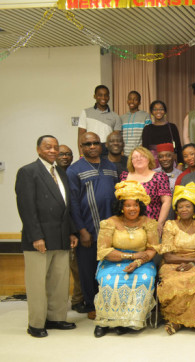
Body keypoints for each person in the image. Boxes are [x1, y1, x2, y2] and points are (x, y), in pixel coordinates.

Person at [16, 135, 78, 338]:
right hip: (39, 239)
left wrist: (71, 231)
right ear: (38, 149)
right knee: (37, 283)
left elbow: (65, 206)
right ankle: (35, 324)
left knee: (59, 282)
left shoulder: (60, 171)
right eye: (47, 147)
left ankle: (56, 318)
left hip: (60, 237)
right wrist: (36, 236)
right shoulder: (28, 171)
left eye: (55, 147)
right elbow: (27, 207)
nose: (52, 150)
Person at [93, 181, 158, 337]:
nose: (132, 209)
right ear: (121, 206)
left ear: (140, 206)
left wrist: (137, 262)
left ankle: (127, 321)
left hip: (142, 262)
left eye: (135, 205)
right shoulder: (110, 223)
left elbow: (152, 249)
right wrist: (131, 256)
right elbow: (104, 250)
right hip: (113, 260)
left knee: (144, 279)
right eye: (128, 205)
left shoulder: (149, 223)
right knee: (109, 281)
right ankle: (105, 320)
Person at [67, 132, 119, 320]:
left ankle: (110, 302)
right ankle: (91, 304)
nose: (92, 146)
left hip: (111, 230)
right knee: (88, 271)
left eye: (95, 143)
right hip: (88, 230)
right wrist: (81, 230)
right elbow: (72, 202)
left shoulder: (111, 166)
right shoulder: (74, 170)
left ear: (101, 145)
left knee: (109, 269)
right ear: (81, 147)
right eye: (87, 144)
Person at [157, 182, 195, 334]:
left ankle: (189, 321)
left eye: (188, 206)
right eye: (181, 207)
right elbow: (167, 255)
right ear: (176, 210)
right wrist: (189, 261)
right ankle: (177, 320)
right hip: (172, 263)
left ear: (194, 209)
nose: (184, 209)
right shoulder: (170, 225)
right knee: (173, 280)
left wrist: (194, 262)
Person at [120, 146, 172, 233]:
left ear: (149, 159)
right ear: (131, 161)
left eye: (142, 156)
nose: (139, 159)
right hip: (128, 225)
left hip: (152, 225)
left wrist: (160, 223)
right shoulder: (124, 176)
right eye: (135, 157)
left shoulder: (159, 177)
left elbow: (166, 201)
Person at [57, 144, 83, 313]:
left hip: (74, 229)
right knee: (58, 271)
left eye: (68, 154)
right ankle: (56, 305)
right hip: (55, 230)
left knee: (77, 268)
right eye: (62, 154)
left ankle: (77, 300)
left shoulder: (73, 174)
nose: (65, 157)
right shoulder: (51, 175)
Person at [77, 85, 121, 154]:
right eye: (100, 95)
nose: (103, 97)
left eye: (106, 95)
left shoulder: (115, 116)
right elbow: (81, 136)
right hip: (91, 148)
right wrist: (81, 155)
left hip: (108, 151)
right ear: (95, 96)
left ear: (109, 97)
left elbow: (117, 139)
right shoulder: (85, 112)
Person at [142, 100, 184, 166]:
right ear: (152, 112)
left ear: (165, 111)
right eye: (155, 109)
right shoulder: (147, 129)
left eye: (161, 109)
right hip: (153, 164)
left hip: (170, 163)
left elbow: (178, 147)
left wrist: (180, 164)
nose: (158, 111)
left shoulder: (172, 127)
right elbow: (144, 150)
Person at [120, 90, 152, 156]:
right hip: (124, 155)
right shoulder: (122, 118)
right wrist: (121, 151)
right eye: (130, 99)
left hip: (139, 154)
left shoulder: (145, 116)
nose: (132, 101)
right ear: (127, 101)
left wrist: (140, 151)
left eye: (135, 99)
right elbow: (120, 136)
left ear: (139, 102)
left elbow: (148, 136)